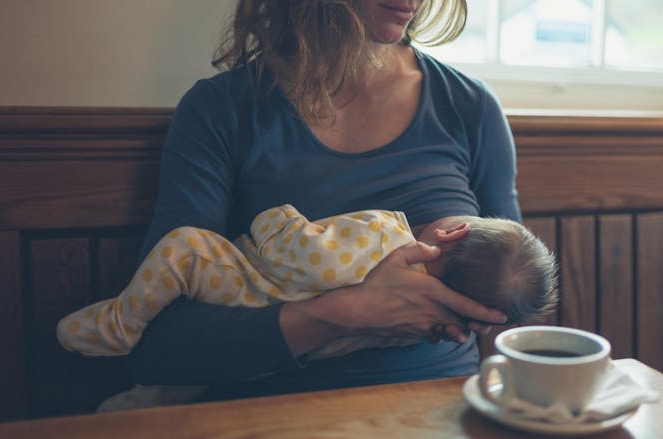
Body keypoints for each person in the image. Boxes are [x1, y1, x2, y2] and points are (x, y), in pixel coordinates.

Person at [119, 0, 523, 401]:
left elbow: (513, 300)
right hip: (271, 426)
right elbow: (157, 346)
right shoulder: (222, 110)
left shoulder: (470, 107)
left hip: (444, 419)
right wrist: (347, 314)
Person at [58, 204, 557, 360]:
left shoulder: (387, 233)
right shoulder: (419, 324)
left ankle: (118, 324)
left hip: (245, 288)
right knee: (183, 388)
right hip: (294, 361)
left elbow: (295, 253)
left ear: (452, 232)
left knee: (185, 247)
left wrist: (276, 216)